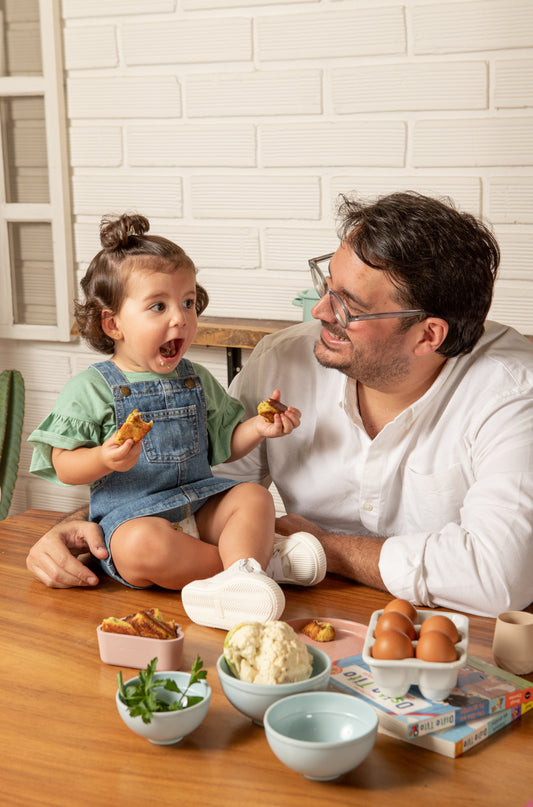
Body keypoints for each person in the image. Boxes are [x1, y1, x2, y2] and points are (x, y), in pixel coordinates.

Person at [26, 192, 533, 618]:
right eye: (325, 285)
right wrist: (76, 529)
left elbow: (497, 578)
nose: (318, 311)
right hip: (290, 611)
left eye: (348, 306)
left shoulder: (513, 392)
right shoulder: (284, 358)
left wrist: (325, 550)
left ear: (428, 336)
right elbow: (203, 481)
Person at [27, 213, 326, 630]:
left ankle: (244, 575)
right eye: (158, 306)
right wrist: (103, 459)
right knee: (139, 546)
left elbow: (224, 443)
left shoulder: (195, 378)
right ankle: (260, 568)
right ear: (112, 323)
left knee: (254, 497)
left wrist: (257, 429)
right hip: (134, 519)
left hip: (199, 502)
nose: (180, 318)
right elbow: (63, 463)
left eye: (188, 302)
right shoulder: (90, 388)